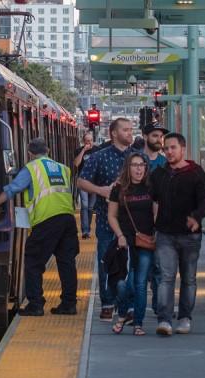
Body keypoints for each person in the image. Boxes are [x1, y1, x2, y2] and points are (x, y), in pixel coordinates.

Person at [0, 138, 79, 316]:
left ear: (30, 153)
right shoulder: (63, 168)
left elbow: (12, 189)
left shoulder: (31, 168)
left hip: (47, 220)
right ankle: (69, 304)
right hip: (68, 219)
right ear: (48, 151)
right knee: (67, 262)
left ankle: (35, 304)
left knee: (32, 261)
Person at [150, 133, 205, 336]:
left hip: (189, 235)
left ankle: (185, 317)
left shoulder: (196, 173)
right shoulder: (159, 174)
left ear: (183, 149)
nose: (168, 152)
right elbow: (151, 198)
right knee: (166, 277)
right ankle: (165, 319)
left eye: (173, 148)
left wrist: (196, 217)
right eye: (166, 148)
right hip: (165, 234)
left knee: (188, 278)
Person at [78, 118, 137, 321]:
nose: (130, 133)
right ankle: (107, 302)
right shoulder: (98, 157)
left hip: (133, 223)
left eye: (131, 130)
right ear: (113, 133)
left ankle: (128, 305)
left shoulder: (136, 158)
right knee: (108, 263)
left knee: (131, 265)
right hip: (105, 222)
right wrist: (100, 190)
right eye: (126, 130)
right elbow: (81, 180)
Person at [107, 153, 156, 336]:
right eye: (134, 165)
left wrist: (156, 234)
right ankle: (122, 314)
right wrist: (119, 235)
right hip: (125, 243)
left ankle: (138, 323)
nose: (138, 169)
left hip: (145, 241)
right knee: (123, 284)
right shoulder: (118, 189)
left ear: (146, 167)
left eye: (142, 165)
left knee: (140, 283)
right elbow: (111, 215)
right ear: (128, 168)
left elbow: (156, 213)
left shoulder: (151, 187)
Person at [141, 122, 168, 315]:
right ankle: (137, 308)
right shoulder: (135, 160)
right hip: (139, 222)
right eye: (155, 136)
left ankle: (159, 305)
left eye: (161, 137)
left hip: (161, 223)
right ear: (145, 136)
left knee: (160, 268)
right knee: (141, 269)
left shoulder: (165, 163)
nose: (159, 140)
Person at [74, 132, 96, 239]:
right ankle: (85, 230)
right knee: (85, 206)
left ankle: (88, 228)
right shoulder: (79, 151)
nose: (89, 143)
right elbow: (76, 164)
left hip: (94, 183)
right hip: (83, 182)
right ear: (83, 141)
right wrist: (83, 151)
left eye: (91, 140)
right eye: (87, 141)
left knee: (91, 207)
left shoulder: (97, 150)